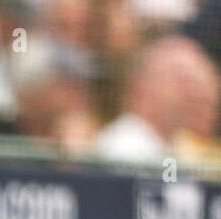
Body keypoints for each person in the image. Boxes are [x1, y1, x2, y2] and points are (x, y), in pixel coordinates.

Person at [94, 35, 220, 164]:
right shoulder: (124, 146)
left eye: (196, 83)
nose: (193, 93)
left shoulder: (175, 148)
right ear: (145, 84)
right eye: (183, 80)